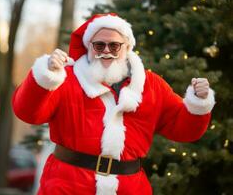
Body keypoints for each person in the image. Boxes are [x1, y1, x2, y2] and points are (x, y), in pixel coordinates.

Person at [12, 13, 215, 195]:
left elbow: (184, 130)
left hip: (130, 188)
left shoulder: (152, 86)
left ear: (126, 47)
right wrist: (45, 76)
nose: (106, 51)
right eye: (99, 45)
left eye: (114, 45)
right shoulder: (67, 78)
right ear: (89, 47)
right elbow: (28, 113)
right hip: (68, 185)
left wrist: (199, 101)